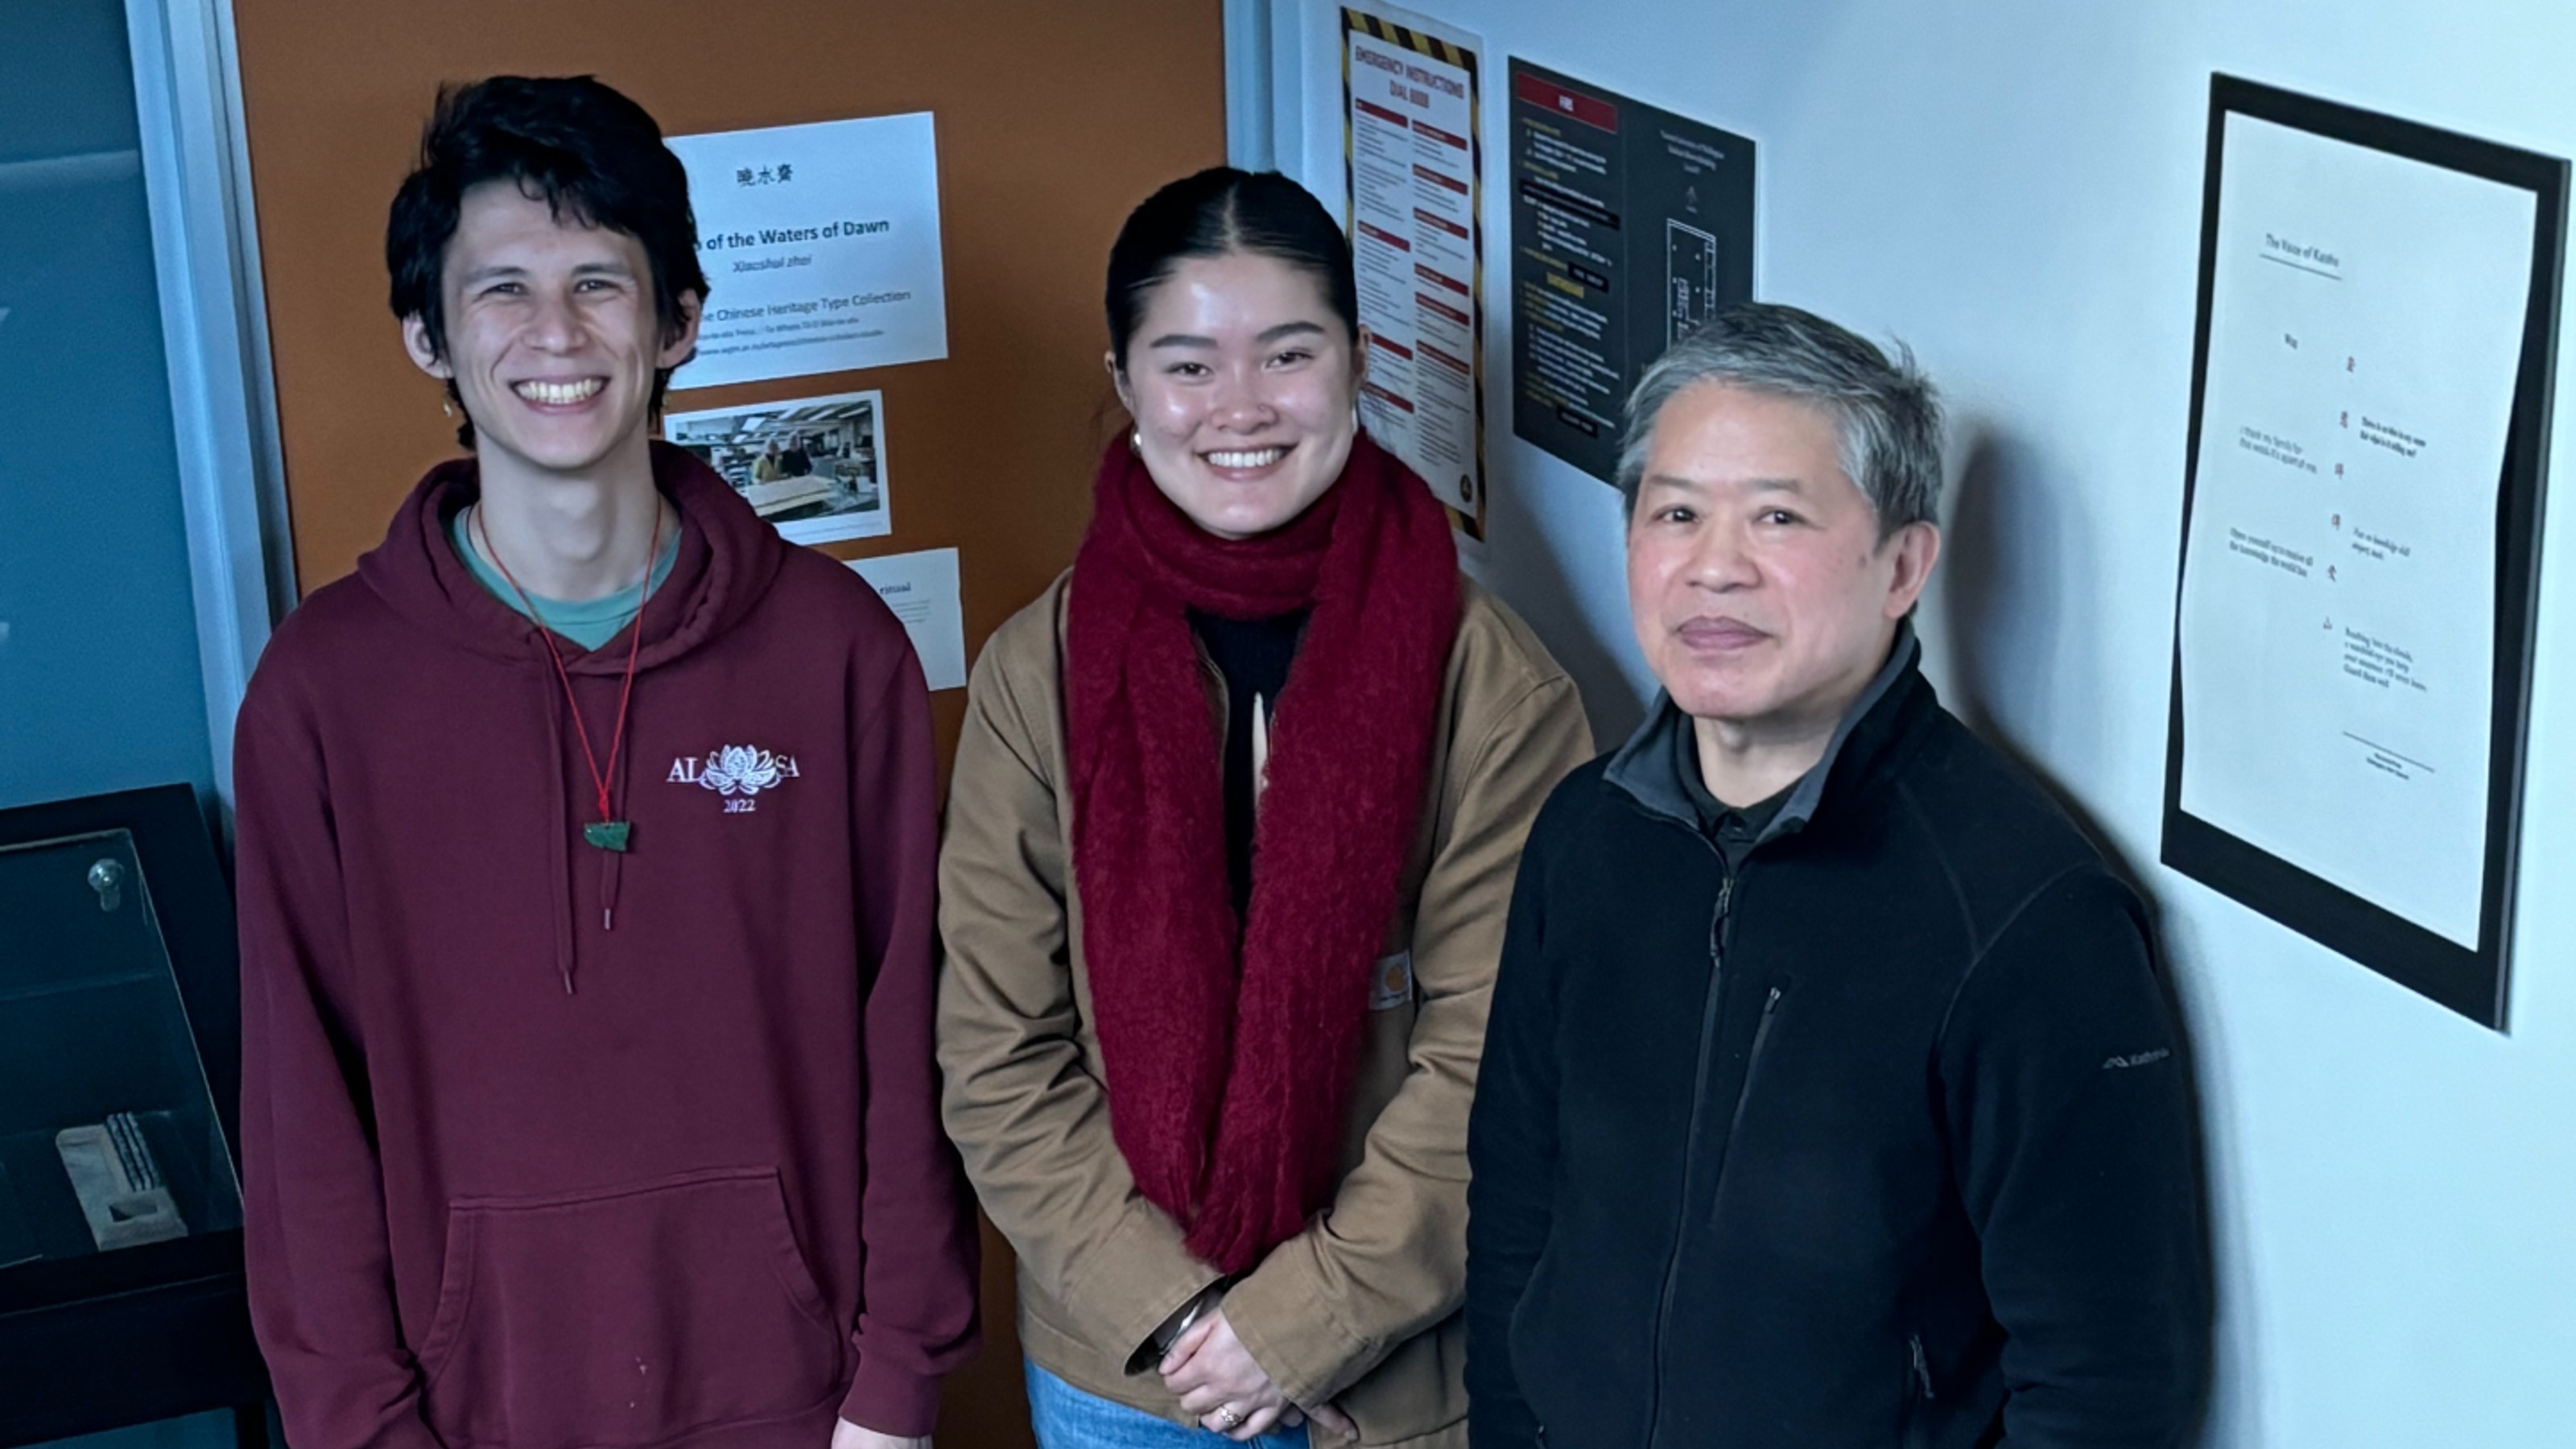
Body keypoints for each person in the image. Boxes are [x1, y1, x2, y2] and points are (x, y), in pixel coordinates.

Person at [233, 75, 978, 1449]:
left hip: (812, 1413)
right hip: (473, 1416)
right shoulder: (321, 693)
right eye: (502, 290)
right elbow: (302, 1118)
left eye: (599, 283)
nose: (556, 334)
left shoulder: (834, 652)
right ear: (428, 336)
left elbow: (914, 1042)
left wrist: (895, 1391)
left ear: (679, 320)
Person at [1464, 303, 2210, 1449]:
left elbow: (2107, 1384)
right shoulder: (1585, 833)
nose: (1714, 568)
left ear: (1904, 565)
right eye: (1676, 513)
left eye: (1778, 516)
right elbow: (1518, 1204)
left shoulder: (2027, 918)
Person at [937, 167, 1591, 1449]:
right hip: (1132, 1372)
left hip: (1402, 1374)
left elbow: (1502, 1060)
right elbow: (997, 1048)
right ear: (1126, 384)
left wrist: (1298, 1327)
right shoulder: (1039, 671)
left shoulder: (1493, 685)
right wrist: (1182, 1320)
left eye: (1288, 355)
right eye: (1188, 365)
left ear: (1359, 361)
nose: (1239, 408)